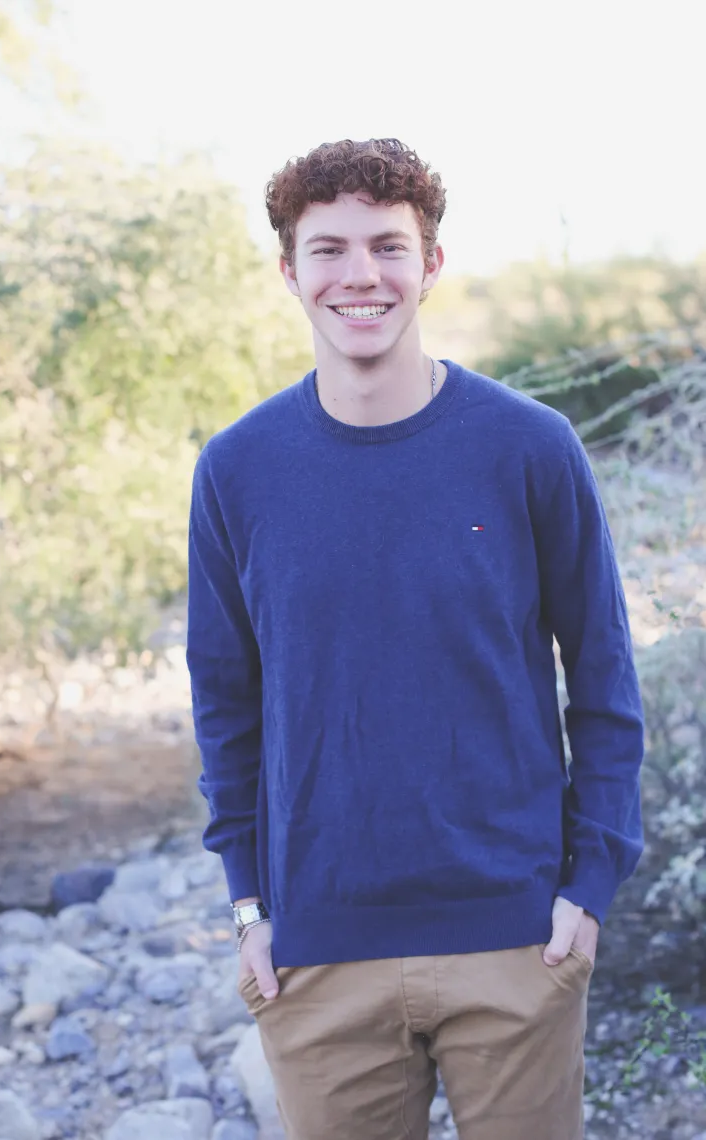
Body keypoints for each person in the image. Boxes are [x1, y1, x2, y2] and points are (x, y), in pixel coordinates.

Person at [185, 138, 645, 1140]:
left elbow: (604, 678)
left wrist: (589, 886)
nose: (361, 275)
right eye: (329, 249)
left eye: (388, 247)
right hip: (319, 954)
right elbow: (225, 706)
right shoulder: (237, 470)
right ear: (288, 271)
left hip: (516, 942)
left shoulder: (528, 448)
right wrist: (248, 909)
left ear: (431, 263)